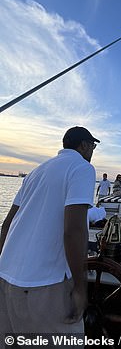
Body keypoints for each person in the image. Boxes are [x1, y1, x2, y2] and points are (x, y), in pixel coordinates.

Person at [0, 126, 99, 343]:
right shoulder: (82, 168)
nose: (93, 150)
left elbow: (6, 226)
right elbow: (74, 231)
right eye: (93, 145)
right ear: (83, 145)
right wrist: (81, 287)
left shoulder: (36, 172)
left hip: (6, 281)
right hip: (43, 286)